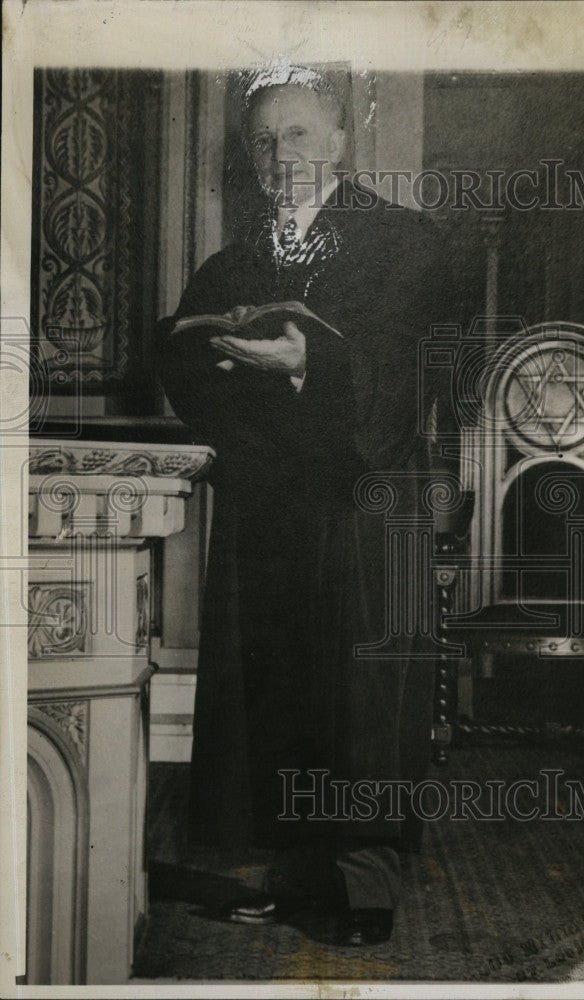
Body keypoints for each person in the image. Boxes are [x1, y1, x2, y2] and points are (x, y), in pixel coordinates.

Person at [156, 68, 461, 946]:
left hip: (366, 501)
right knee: (274, 690)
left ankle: (362, 888)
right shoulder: (235, 261)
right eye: (261, 139)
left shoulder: (403, 241)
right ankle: (286, 875)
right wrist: (213, 361)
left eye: (295, 134)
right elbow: (182, 362)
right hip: (270, 503)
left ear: (335, 142)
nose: (277, 154)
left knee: (363, 697)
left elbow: (397, 368)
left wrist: (301, 364)